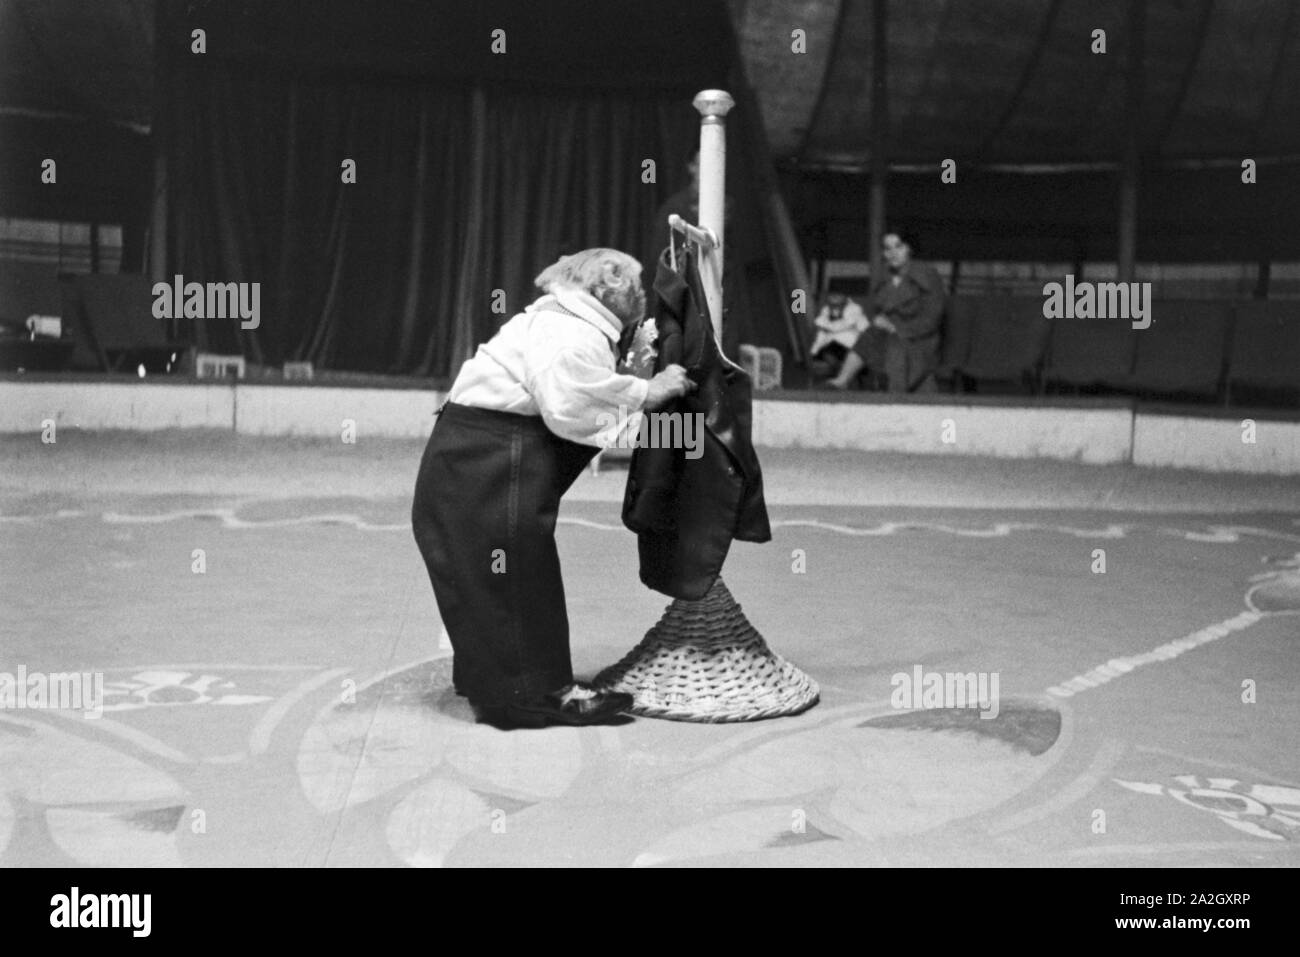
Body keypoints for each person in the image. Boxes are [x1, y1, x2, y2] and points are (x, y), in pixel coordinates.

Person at [411, 248, 694, 729]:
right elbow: (569, 406)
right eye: (637, 286)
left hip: (464, 459)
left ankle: (493, 682)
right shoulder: (570, 332)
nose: (643, 296)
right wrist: (649, 391)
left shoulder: (557, 317)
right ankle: (538, 697)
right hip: (490, 458)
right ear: (608, 284)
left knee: (483, 571)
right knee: (517, 571)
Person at [827, 231, 945, 392]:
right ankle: (842, 380)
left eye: (898, 246)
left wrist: (896, 329)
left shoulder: (927, 274)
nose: (892, 253)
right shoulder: (884, 277)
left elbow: (932, 320)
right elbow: (876, 310)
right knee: (872, 333)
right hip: (888, 339)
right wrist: (880, 321)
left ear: (909, 248)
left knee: (894, 345)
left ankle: (894, 397)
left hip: (919, 341)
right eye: (887, 248)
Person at [807, 291, 870, 378]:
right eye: (832, 293)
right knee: (823, 354)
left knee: (831, 350)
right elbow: (821, 334)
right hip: (830, 349)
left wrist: (825, 326)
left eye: (839, 292)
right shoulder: (825, 310)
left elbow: (860, 329)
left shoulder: (855, 309)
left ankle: (846, 373)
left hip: (851, 349)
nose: (834, 295)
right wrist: (814, 352)